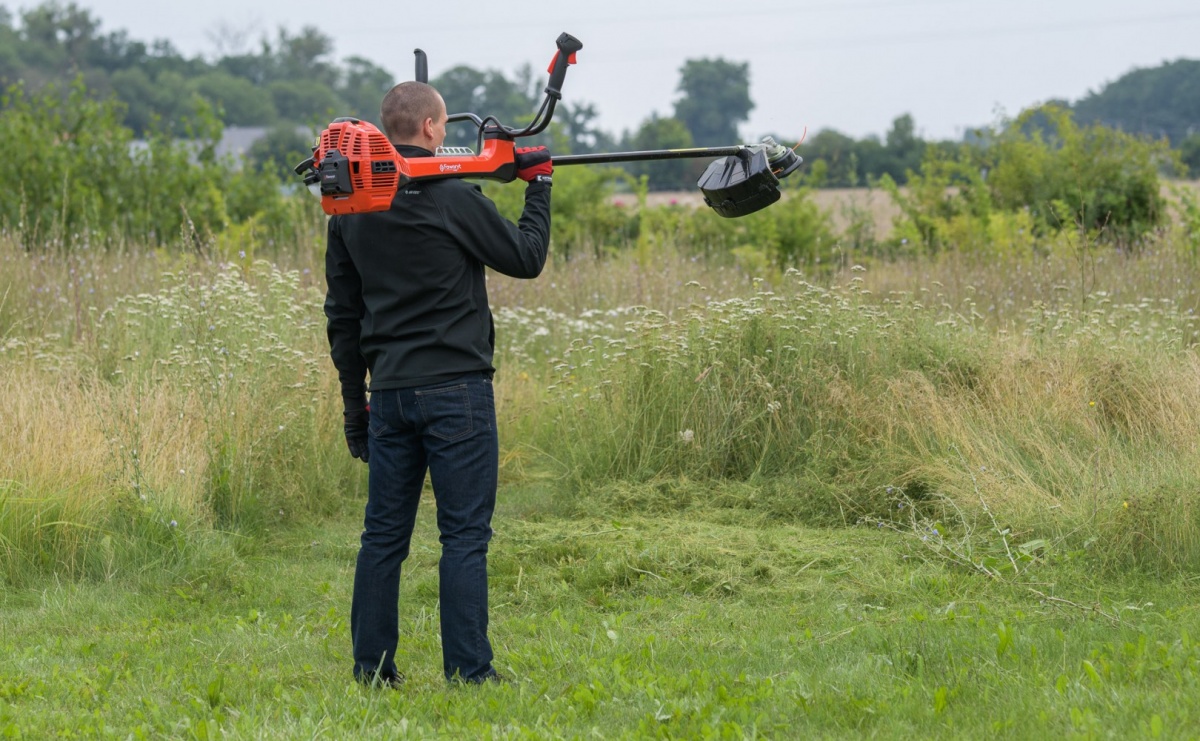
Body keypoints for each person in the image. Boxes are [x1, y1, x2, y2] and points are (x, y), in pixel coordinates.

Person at [323, 80, 552, 686]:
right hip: (457, 393)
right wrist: (540, 186)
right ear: (429, 128)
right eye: (444, 125)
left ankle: (372, 671)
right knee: (465, 536)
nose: (446, 133)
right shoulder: (453, 198)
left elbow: (342, 317)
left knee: (382, 537)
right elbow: (526, 257)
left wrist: (354, 406)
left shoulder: (349, 211)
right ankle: (470, 673)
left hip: (389, 396)